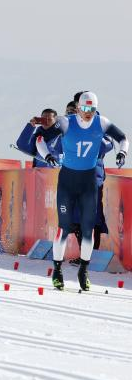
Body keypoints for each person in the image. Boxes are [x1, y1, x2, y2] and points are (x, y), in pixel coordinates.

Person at [35, 91, 127, 290]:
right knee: (63, 228)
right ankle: (57, 270)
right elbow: (40, 139)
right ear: (77, 108)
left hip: (88, 183)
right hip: (67, 182)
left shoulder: (101, 122)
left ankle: (84, 271)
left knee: (88, 230)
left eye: (92, 109)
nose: (88, 112)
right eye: (84, 108)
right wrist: (48, 156)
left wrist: (122, 152)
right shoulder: (65, 122)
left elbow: (122, 138)